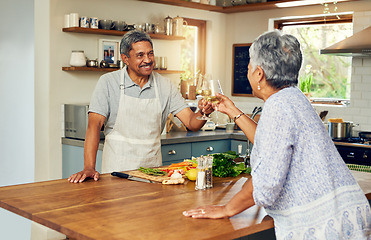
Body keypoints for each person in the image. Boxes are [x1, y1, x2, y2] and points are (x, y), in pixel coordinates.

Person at [183, 30, 371, 239]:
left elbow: (267, 181)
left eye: (248, 68)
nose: (247, 73)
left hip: (325, 225)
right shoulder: (293, 98)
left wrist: (227, 209)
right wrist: (233, 111)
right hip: (347, 215)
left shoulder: (278, 108)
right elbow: (268, 143)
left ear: (259, 74)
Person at [68, 30, 213, 183]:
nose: (148, 60)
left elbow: (192, 123)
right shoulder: (108, 82)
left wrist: (203, 112)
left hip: (152, 173)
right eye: (140, 55)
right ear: (125, 58)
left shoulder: (165, 86)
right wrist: (89, 167)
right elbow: (93, 126)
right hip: (117, 172)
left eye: (150, 54)